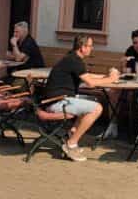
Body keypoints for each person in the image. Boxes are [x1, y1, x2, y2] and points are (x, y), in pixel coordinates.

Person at [44, 34, 119, 162]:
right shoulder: (74, 60)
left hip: (62, 99)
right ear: (81, 47)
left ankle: (72, 133)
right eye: (89, 46)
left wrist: (105, 76)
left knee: (93, 101)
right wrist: (111, 79)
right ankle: (71, 144)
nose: (92, 48)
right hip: (56, 102)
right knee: (97, 108)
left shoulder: (73, 58)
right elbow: (90, 82)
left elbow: (87, 75)